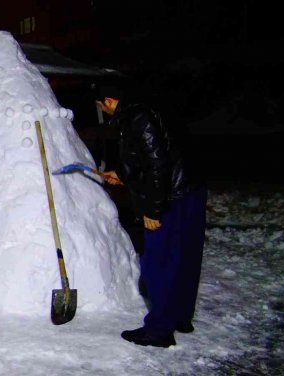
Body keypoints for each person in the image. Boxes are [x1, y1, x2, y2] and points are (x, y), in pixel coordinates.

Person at [95, 85, 207, 348]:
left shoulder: (136, 116)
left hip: (170, 195)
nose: (103, 112)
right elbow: (155, 155)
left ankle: (159, 331)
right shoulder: (152, 106)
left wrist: (153, 210)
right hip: (190, 189)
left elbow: (158, 164)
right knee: (184, 257)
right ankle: (180, 317)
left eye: (101, 106)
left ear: (110, 100)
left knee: (158, 263)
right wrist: (123, 175)